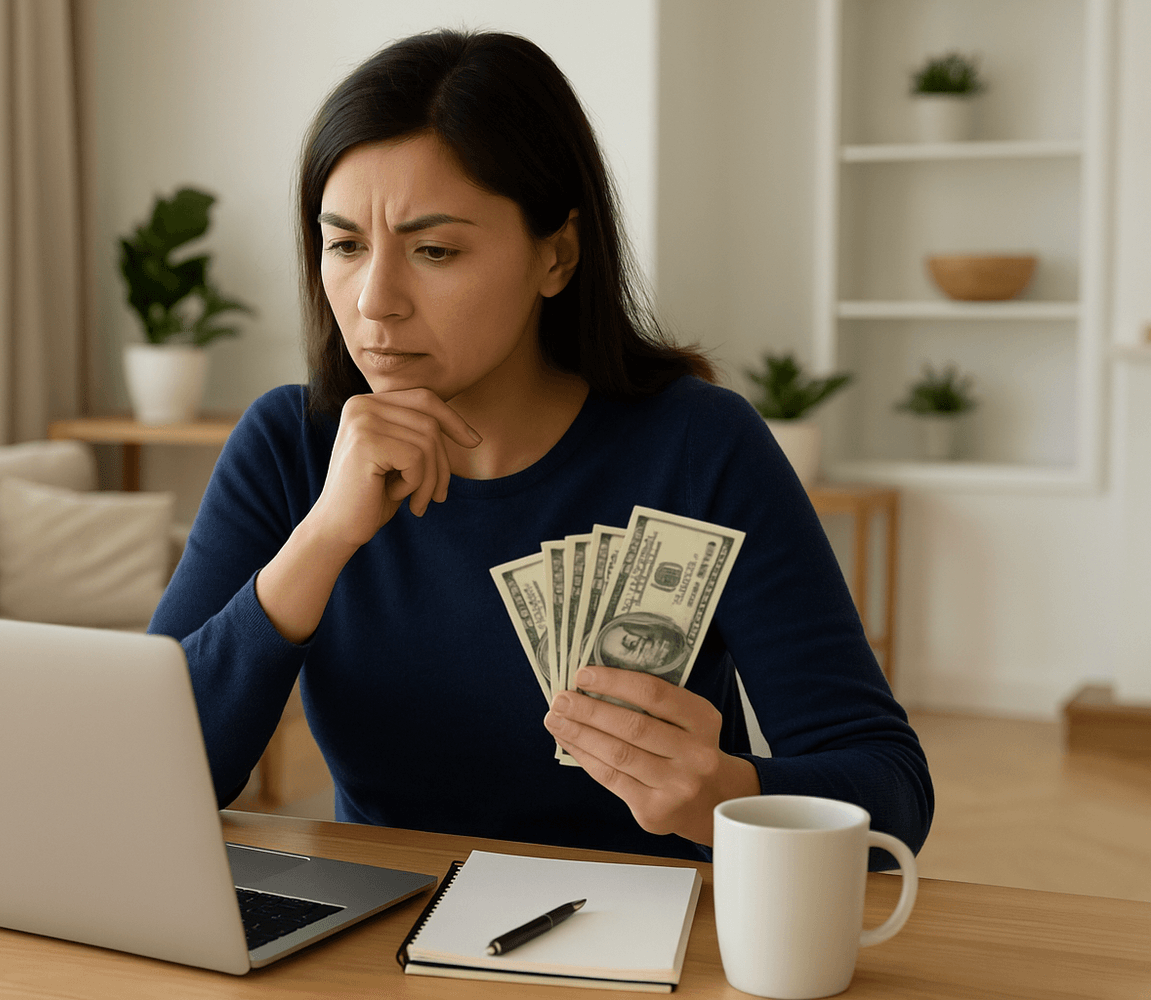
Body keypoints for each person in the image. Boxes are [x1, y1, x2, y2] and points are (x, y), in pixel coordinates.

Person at [150, 28, 932, 862]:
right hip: (377, 947)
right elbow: (151, 778)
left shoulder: (702, 445)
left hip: (649, 950)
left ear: (556, 254)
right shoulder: (288, 446)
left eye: (434, 250)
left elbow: (892, 793)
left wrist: (731, 795)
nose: (375, 301)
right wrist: (323, 537)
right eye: (344, 244)